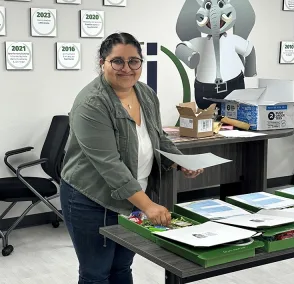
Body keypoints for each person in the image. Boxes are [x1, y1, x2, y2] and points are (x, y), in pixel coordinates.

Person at [59, 32, 204, 284]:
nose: (126, 68)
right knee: (96, 273)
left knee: (122, 268)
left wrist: (179, 160)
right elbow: (110, 165)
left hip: (134, 197)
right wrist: (148, 206)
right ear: (102, 62)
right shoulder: (91, 104)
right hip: (92, 199)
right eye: (117, 61)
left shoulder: (145, 93)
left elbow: (157, 136)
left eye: (134, 61)